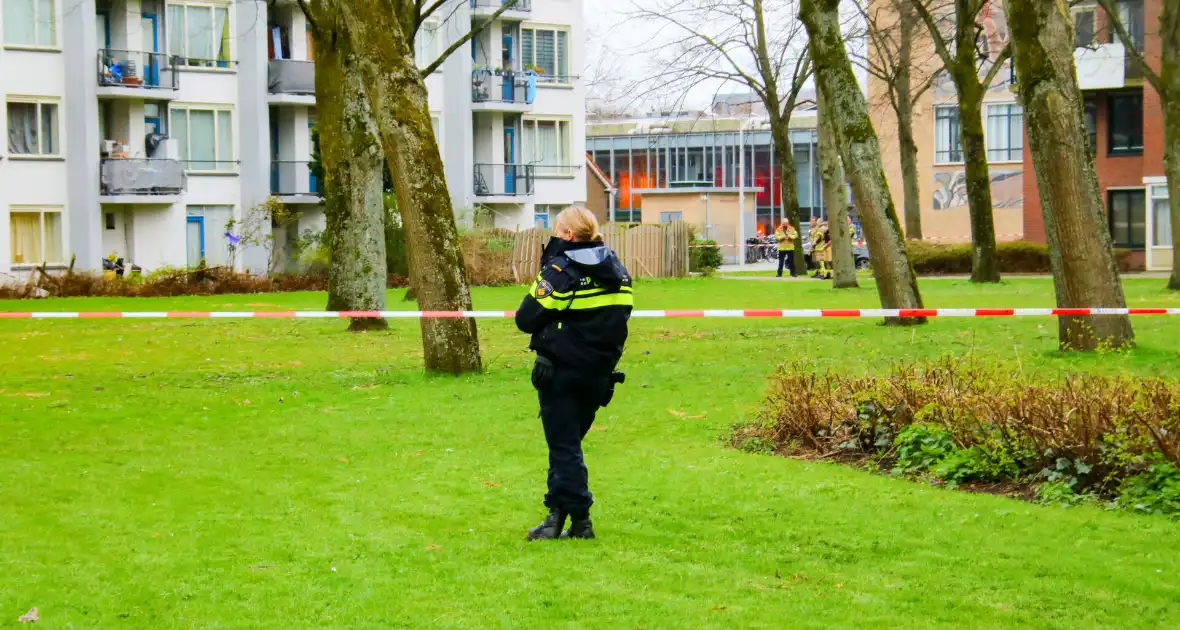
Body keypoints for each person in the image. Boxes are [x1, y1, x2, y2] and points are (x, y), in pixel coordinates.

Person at [515, 207, 634, 541]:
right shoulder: (618, 270)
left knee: (564, 448)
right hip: (599, 373)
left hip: (561, 372)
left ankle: (580, 520)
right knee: (566, 447)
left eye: (556, 230)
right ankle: (556, 517)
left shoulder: (561, 271)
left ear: (567, 235)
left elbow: (525, 318)